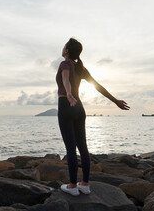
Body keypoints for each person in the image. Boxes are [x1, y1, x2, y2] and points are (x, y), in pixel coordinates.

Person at [56, 37, 130, 196]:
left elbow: (65, 79)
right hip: (79, 109)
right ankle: (85, 184)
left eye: (64, 47)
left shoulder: (65, 64)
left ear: (67, 51)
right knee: (83, 147)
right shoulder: (81, 67)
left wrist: (68, 94)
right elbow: (98, 86)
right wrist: (115, 101)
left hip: (66, 105)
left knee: (70, 148)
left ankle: (72, 186)